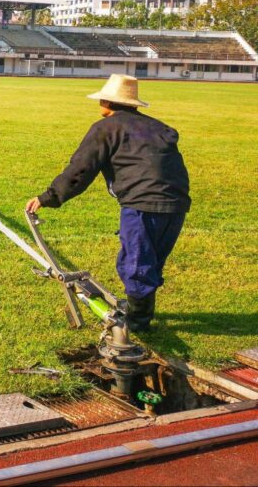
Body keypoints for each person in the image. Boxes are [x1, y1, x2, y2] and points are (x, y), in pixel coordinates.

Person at [25, 74, 190, 332]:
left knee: (134, 265)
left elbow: (80, 170)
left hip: (142, 204)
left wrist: (48, 197)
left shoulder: (105, 129)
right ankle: (141, 312)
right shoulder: (158, 127)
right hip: (177, 204)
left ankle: (136, 324)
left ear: (107, 102)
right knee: (151, 261)